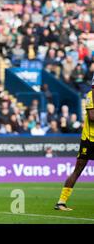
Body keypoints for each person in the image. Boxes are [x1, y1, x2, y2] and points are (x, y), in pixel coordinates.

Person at [54, 81, 94, 211]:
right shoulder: (91, 95)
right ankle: (61, 202)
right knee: (78, 170)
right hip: (89, 139)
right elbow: (92, 117)